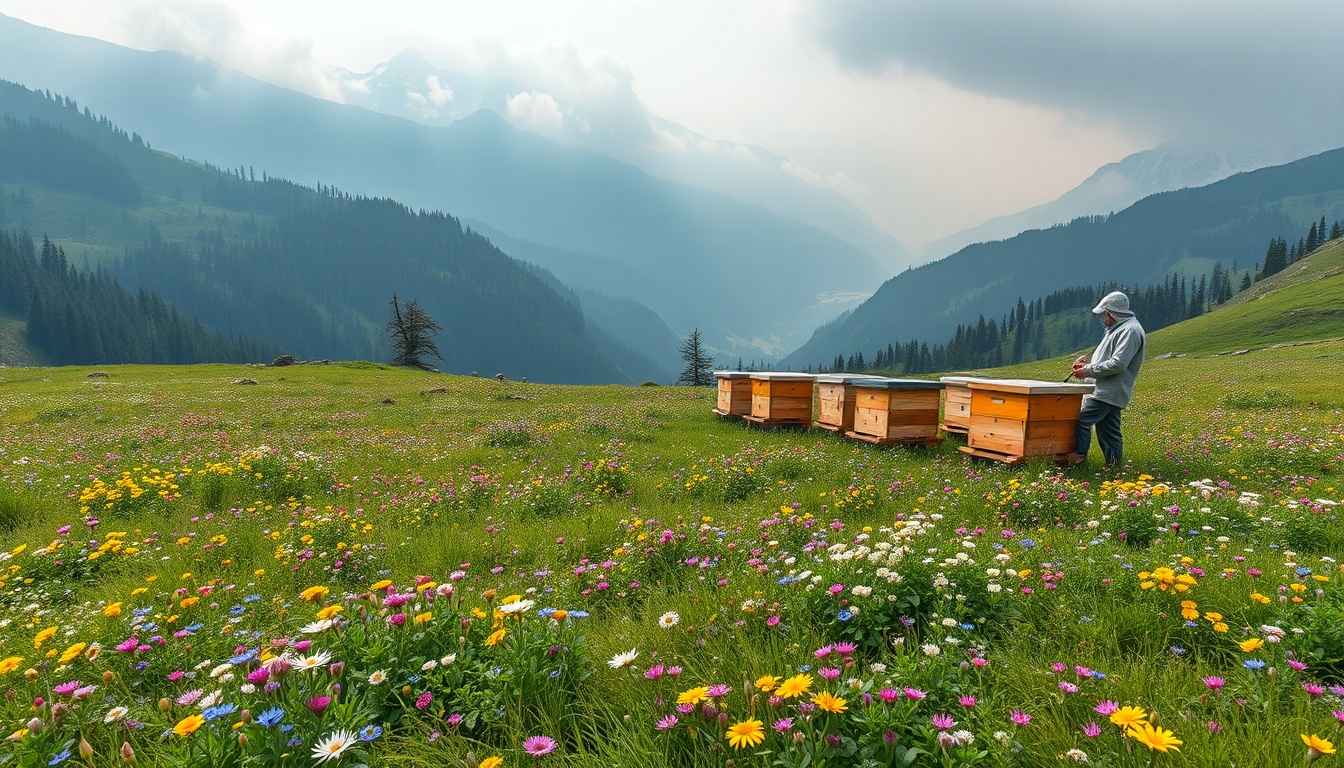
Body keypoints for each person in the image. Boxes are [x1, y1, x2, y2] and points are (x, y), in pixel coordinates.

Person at [1066, 291, 1146, 466]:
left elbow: (1118, 364)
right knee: (1108, 430)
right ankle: (1114, 467)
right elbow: (1108, 358)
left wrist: (1087, 370)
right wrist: (1087, 365)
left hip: (1108, 392)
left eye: (1104, 314)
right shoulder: (1120, 328)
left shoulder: (1130, 330)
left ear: (1112, 312)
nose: (1103, 318)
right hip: (1109, 391)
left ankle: (1078, 458)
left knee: (1082, 420)